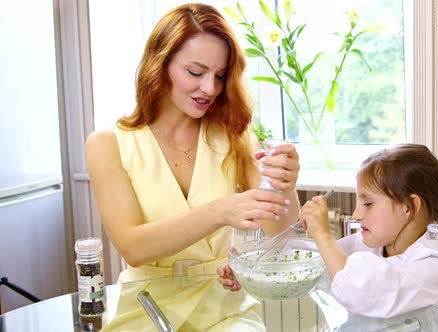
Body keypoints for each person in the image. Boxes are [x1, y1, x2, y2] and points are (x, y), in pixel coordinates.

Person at [85, 3, 300, 330]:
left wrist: (284, 184)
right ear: (160, 64)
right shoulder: (107, 144)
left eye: (220, 76)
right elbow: (133, 247)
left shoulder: (233, 137)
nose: (210, 88)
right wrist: (219, 211)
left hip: (225, 308)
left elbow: (278, 229)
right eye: (196, 73)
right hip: (144, 308)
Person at [218, 144, 438, 326]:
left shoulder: (432, 269)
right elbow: (312, 269)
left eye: (368, 204)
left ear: (408, 207)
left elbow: (361, 292)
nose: (356, 214)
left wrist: (322, 234)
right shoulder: (365, 245)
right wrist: (251, 271)